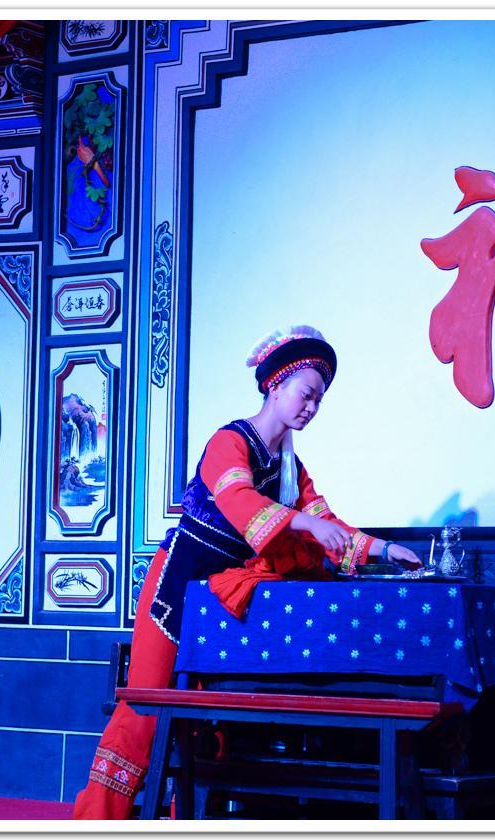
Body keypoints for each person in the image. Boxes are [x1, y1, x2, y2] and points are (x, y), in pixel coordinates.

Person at [73, 325, 421, 819]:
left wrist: (385, 549)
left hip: (225, 596)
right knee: (145, 708)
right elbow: (238, 500)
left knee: (204, 717)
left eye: (319, 401)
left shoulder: (290, 468)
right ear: (276, 385)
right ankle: (97, 820)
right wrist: (304, 524)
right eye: (306, 394)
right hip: (178, 588)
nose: (312, 408)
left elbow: (327, 523)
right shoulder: (229, 441)